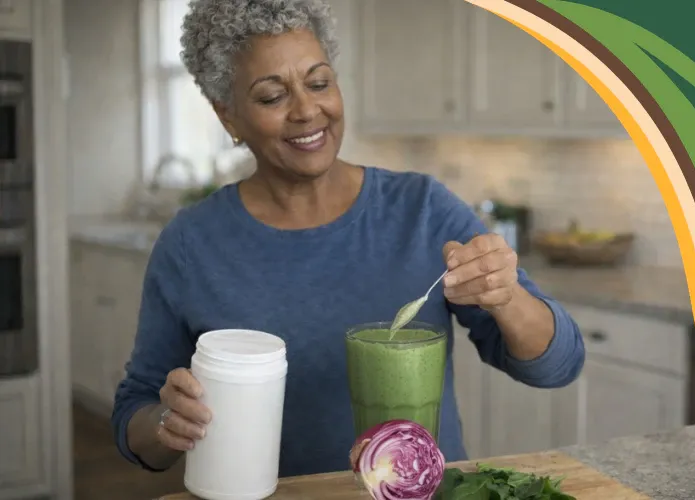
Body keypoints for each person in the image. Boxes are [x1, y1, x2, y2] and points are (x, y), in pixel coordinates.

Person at [112, 0, 585, 479]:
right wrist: (168, 423)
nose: (307, 110)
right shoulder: (190, 245)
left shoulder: (422, 211)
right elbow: (137, 420)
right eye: (272, 97)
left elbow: (556, 367)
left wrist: (507, 297)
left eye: (319, 83)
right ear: (229, 117)